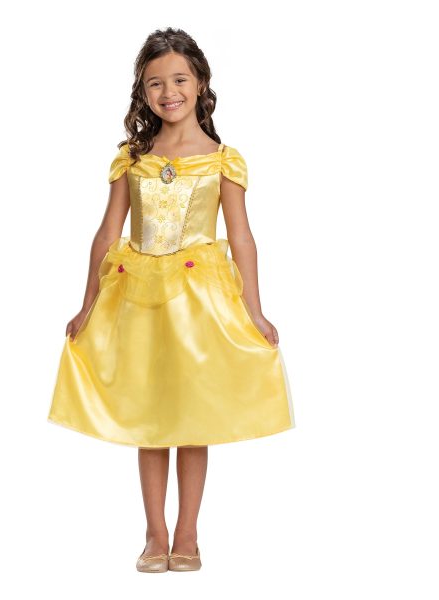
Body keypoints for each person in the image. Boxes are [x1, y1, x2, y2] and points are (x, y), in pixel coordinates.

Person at [47, 27, 295, 573]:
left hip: (199, 300)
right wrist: (87, 303)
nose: (168, 92)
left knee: (192, 416)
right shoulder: (132, 158)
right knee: (151, 414)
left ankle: (188, 532)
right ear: (143, 91)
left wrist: (254, 310)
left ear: (200, 82)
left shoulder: (223, 160)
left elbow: (242, 237)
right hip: (139, 298)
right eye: (155, 83)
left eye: (179, 79)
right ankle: (154, 532)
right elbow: (108, 231)